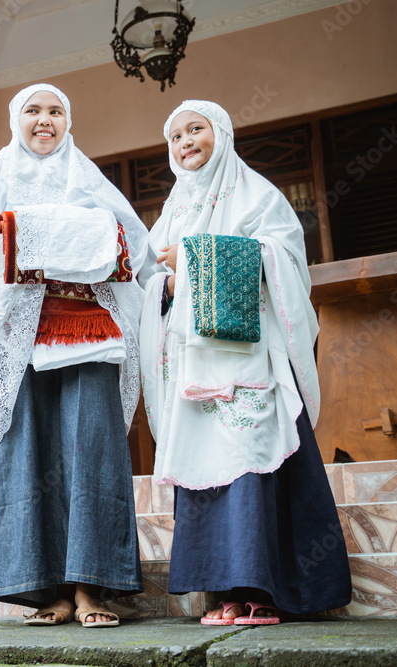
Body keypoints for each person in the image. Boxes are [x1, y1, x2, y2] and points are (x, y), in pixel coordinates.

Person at [139, 100, 352, 625]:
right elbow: (151, 283)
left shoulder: (258, 195)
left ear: (223, 135)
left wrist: (191, 258)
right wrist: (167, 281)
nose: (186, 141)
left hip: (248, 362)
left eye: (197, 129)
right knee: (207, 471)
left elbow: (280, 260)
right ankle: (224, 594)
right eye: (176, 136)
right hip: (194, 372)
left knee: (253, 459)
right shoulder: (172, 210)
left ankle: (271, 590)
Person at [0, 83, 154, 627]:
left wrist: (68, 242)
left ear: (69, 121)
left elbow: (134, 246)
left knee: (93, 450)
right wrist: (31, 244)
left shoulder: (88, 178)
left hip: (90, 336)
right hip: (22, 337)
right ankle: (49, 591)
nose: (46, 121)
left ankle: (93, 589)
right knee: (29, 455)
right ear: (17, 120)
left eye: (56, 111)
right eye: (34, 112)